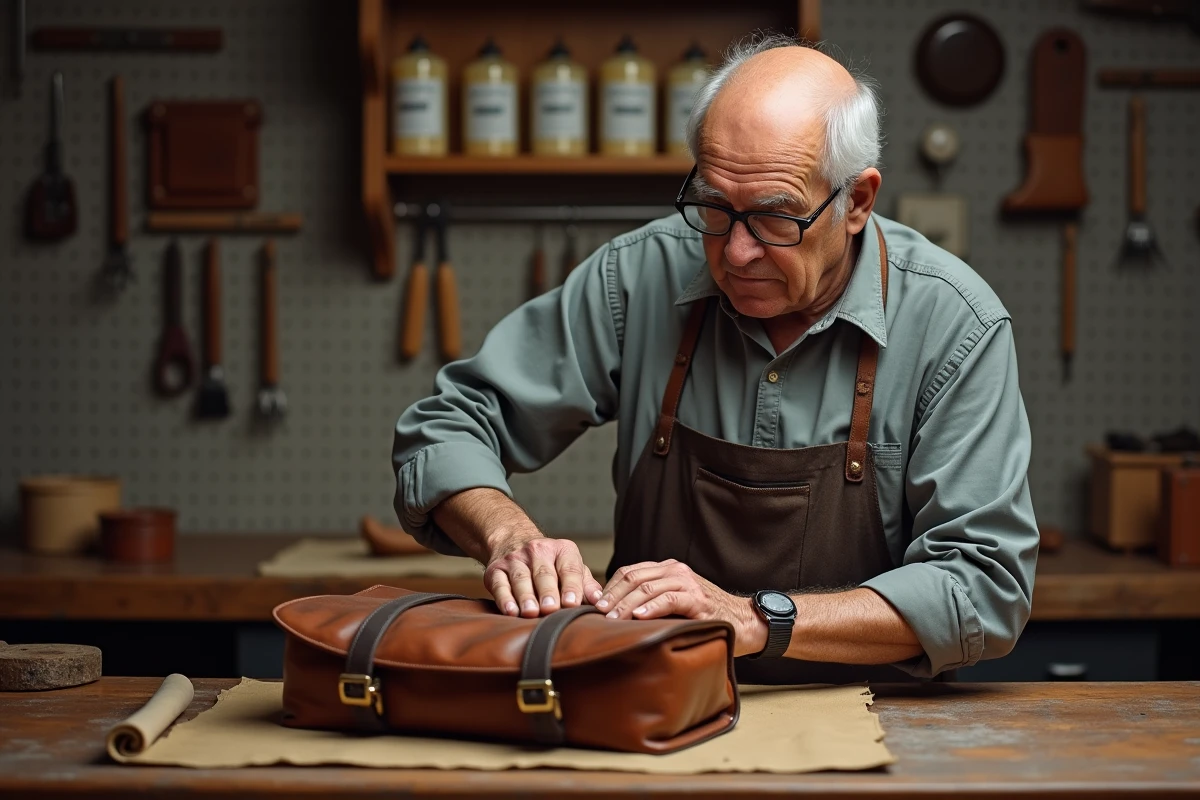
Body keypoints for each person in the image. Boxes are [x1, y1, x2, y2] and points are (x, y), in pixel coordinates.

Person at [392, 35, 1038, 683]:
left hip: (873, 714)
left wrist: (755, 620)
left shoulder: (954, 323)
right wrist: (508, 536)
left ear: (857, 202)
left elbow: (982, 589)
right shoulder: (638, 276)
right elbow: (449, 425)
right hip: (651, 696)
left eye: (775, 218)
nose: (735, 252)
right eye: (714, 207)